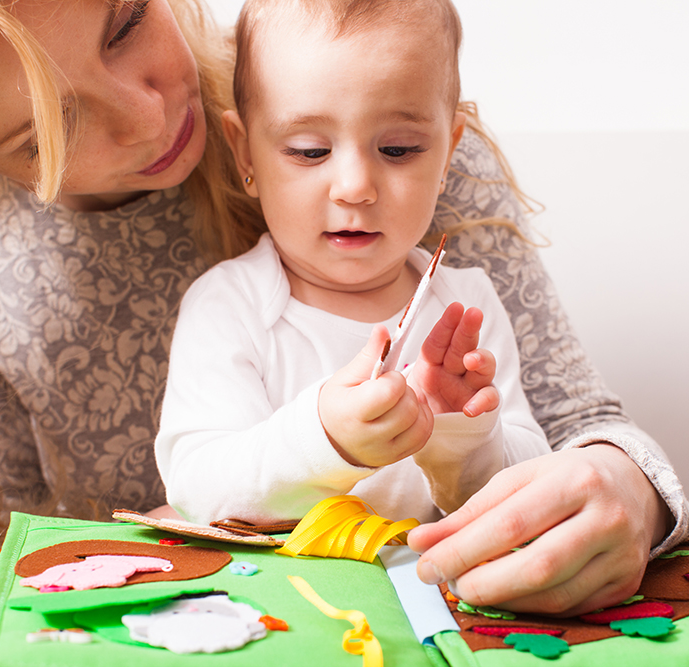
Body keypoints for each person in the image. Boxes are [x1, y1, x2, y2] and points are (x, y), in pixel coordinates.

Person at [0, 0, 689, 616]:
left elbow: (574, 427)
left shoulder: (373, 99)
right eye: (46, 131)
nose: (148, 113)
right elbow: (10, 577)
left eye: (124, 22)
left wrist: (626, 488)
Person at [153, 0, 551, 526]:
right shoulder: (230, 305)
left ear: (446, 155)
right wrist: (323, 437)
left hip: (434, 594)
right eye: (309, 151)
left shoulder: (465, 306)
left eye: (400, 149)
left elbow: (534, 484)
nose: (356, 187)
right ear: (246, 155)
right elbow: (197, 487)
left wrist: (463, 434)